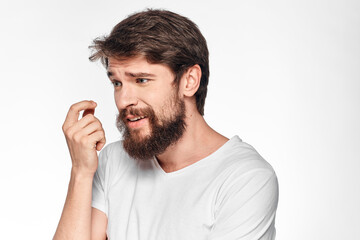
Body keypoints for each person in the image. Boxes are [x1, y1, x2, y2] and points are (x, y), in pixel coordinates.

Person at [54, 9, 278, 240]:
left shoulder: (244, 178)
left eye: (141, 80)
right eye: (117, 83)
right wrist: (81, 172)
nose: (123, 100)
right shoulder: (113, 161)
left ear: (189, 81)